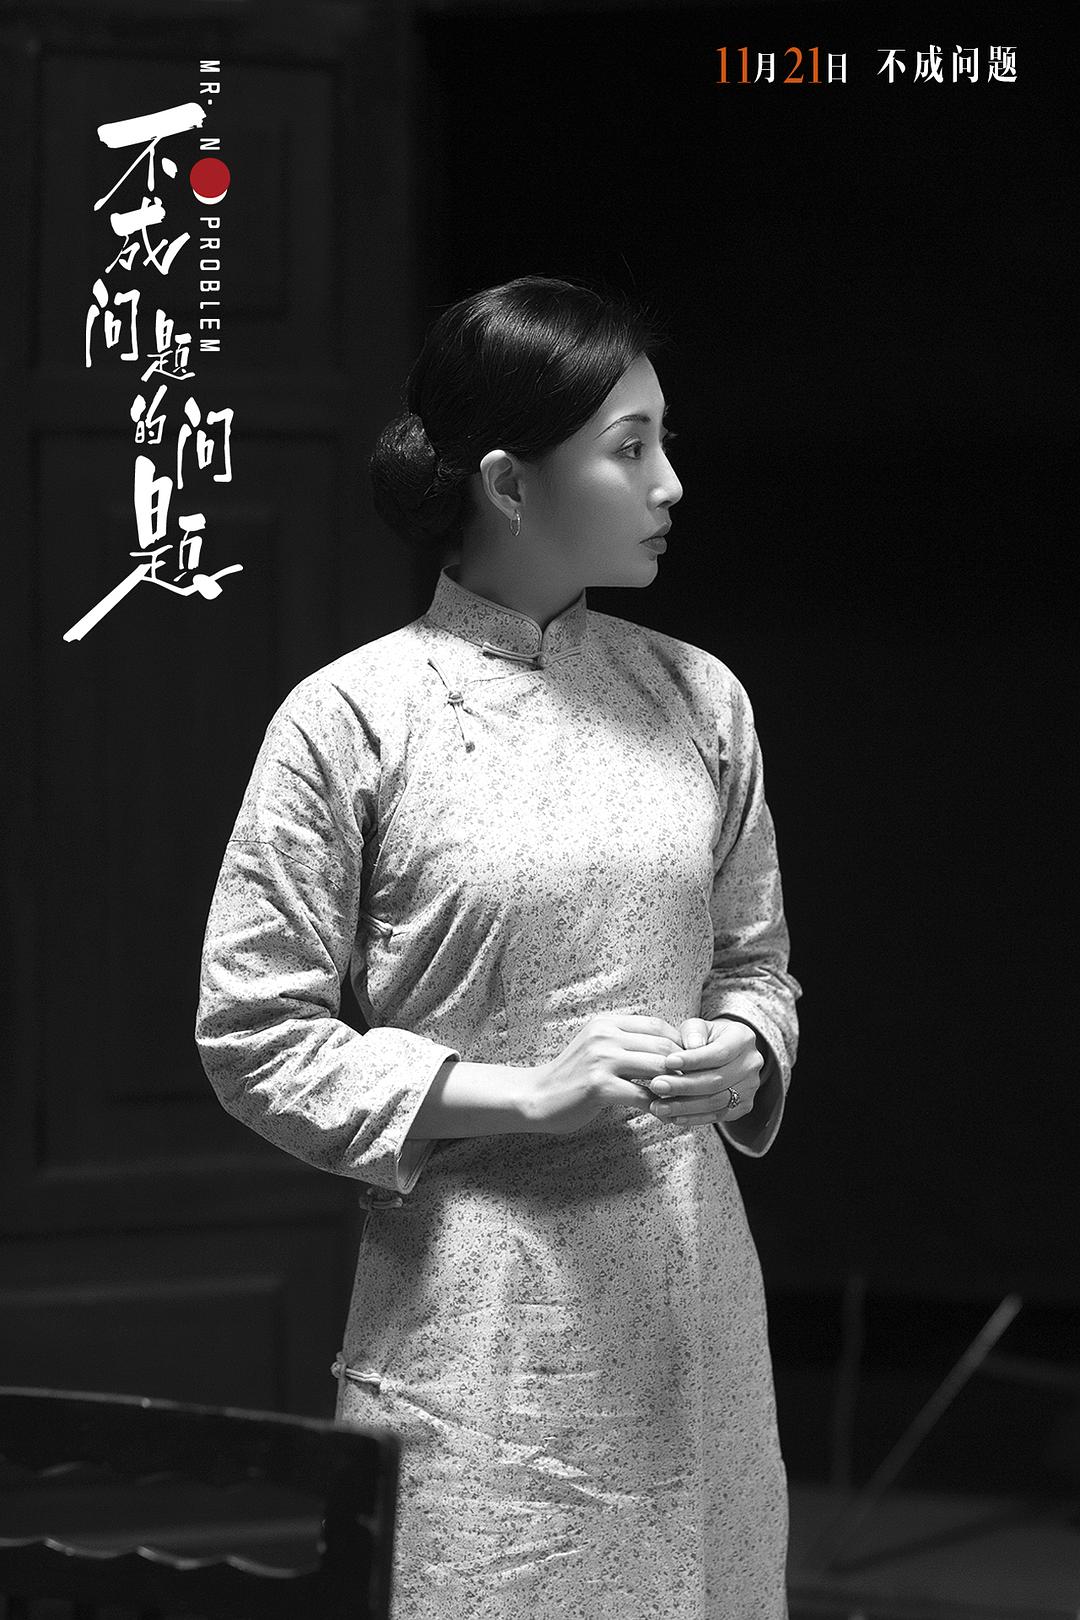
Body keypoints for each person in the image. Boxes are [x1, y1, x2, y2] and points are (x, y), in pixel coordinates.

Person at [196, 274, 801, 1619]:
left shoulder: (700, 699)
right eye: (630, 447)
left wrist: (741, 1050)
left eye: (664, 441)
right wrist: (525, 1094)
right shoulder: (353, 720)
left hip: (693, 1298)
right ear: (509, 484)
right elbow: (253, 1033)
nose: (671, 482)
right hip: (478, 1321)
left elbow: (757, 968)